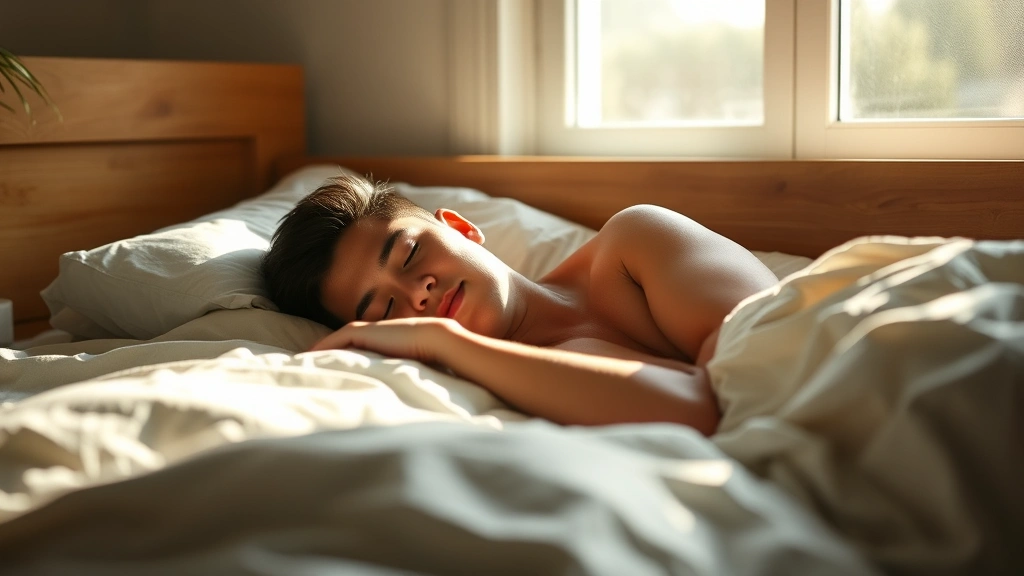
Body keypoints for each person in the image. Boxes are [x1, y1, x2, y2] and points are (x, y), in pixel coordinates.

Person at [261, 174, 778, 435]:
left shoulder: (633, 243)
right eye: (384, 311)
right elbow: (688, 411)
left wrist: (444, 339)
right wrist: (445, 344)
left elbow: (757, 368)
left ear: (461, 228)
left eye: (411, 253)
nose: (416, 292)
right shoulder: (489, 390)